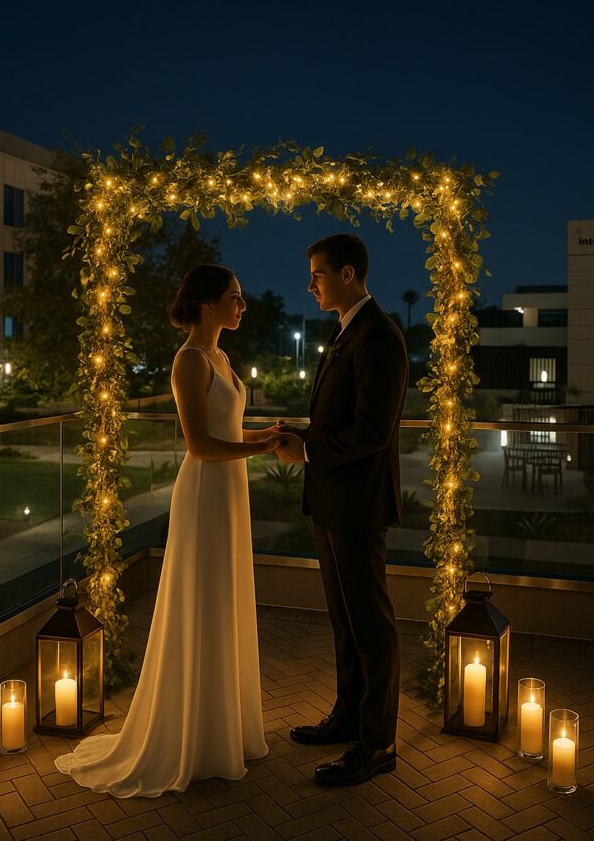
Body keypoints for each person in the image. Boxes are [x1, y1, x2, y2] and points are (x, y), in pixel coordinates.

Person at [55, 264, 282, 797]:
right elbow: (201, 445)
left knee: (224, 599)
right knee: (201, 601)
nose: (243, 306)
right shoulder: (189, 361)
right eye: (235, 296)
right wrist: (257, 449)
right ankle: (190, 735)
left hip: (229, 491)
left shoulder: (222, 356)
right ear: (207, 305)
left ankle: (219, 729)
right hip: (205, 491)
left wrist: (263, 435)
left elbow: (225, 428)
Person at [276, 234, 408, 787]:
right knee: (344, 618)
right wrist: (303, 436)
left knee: (370, 622)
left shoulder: (379, 335)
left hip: (356, 503)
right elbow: (340, 420)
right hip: (332, 500)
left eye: (318, 275)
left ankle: (377, 744)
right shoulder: (346, 330)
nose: (310, 285)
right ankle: (348, 715)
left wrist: (307, 450)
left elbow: (372, 433)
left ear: (348, 274)